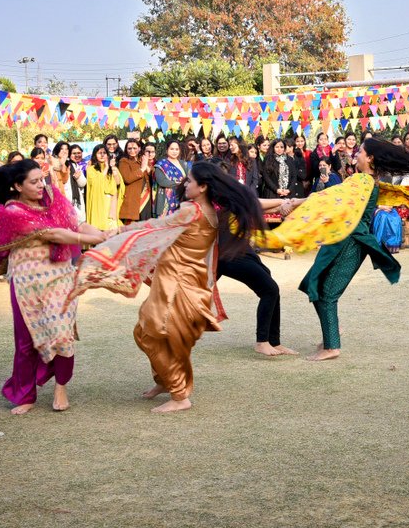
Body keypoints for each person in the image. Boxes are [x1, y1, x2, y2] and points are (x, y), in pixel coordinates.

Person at [70, 162, 264, 412]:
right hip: (177, 280)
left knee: (154, 333)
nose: (185, 184)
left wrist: (115, 232)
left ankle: (180, 395)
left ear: (203, 187)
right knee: (145, 332)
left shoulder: (191, 211)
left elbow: (153, 226)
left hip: (178, 284)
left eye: (190, 181)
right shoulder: (209, 211)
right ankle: (164, 381)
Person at [260, 139, 409, 361]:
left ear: (370, 158)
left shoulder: (363, 180)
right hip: (341, 237)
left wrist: (295, 202)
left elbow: (329, 196)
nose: (356, 155)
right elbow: (334, 197)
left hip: (352, 241)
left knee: (327, 293)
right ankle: (332, 331)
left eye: (361, 152)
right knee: (313, 285)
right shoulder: (362, 180)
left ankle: (332, 346)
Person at [0, 160, 107, 414]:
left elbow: (76, 224)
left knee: (62, 333)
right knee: (26, 342)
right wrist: (94, 239)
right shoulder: (11, 212)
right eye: (34, 182)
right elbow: (53, 234)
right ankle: (25, 395)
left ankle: (61, 387)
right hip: (26, 282)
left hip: (60, 276)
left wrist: (103, 232)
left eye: (42, 179)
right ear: (17, 186)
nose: (41, 185)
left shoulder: (52, 197)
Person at [217, 196, 302, 358]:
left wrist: (294, 202)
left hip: (242, 250)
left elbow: (266, 207)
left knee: (270, 288)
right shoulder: (225, 200)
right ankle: (262, 342)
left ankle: (274, 341)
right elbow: (255, 203)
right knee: (270, 289)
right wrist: (288, 202)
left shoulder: (234, 201)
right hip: (229, 254)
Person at [85, 144, 124, 231]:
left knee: (111, 230)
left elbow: (118, 183)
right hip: (98, 202)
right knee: (98, 230)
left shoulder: (113, 168)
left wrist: (112, 167)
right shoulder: (91, 169)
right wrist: (106, 168)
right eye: (99, 153)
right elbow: (96, 184)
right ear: (95, 155)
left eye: (104, 153)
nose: (102, 155)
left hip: (110, 202)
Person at [118, 139, 153, 223]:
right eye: (129, 148)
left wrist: (146, 165)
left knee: (145, 225)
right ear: (126, 149)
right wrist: (142, 168)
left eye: (134, 148)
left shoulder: (143, 159)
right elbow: (127, 178)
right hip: (133, 198)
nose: (132, 150)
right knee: (132, 227)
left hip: (146, 196)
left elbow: (153, 175)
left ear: (139, 148)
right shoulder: (124, 161)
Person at [154, 139, 188, 217]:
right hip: (165, 200)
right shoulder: (161, 164)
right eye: (171, 149)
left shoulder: (184, 164)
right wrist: (179, 183)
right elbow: (161, 181)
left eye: (177, 149)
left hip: (181, 198)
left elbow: (189, 178)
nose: (174, 151)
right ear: (167, 150)